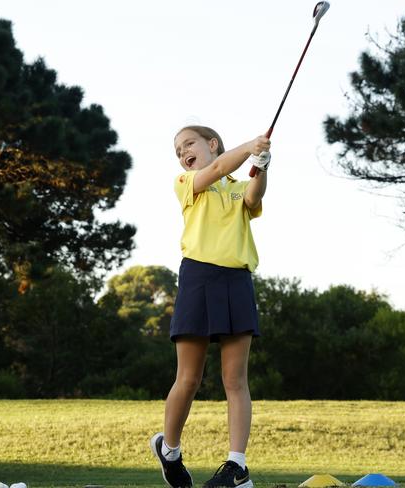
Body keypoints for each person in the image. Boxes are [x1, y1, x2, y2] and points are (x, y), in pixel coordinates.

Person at [150, 126, 271, 488]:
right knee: (188, 378)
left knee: (235, 380)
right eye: (178, 149)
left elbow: (252, 198)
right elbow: (217, 170)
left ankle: (237, 466)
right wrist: (250, 147)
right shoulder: (187, 183)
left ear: (211, 144)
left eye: (189, 143)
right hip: (198, 278)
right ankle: (169, 450)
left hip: (236, 280)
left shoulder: (235, 188)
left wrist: (262, 165)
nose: (182, 152)